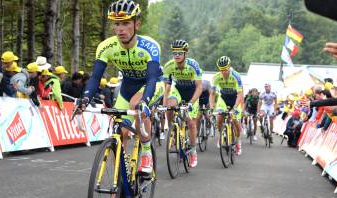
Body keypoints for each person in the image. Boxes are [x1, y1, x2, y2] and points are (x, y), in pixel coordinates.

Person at [81, 0, 163, 175]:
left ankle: (147, 151)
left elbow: (152, 78)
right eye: (117, 24)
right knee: (121, 132)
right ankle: (121, 176)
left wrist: (145, 101)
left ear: (137, 24)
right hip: (126, 88)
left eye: (126, 23)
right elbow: (95, 77)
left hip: (150, 85)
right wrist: (86, 98)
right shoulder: (106, 46)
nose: (120, 29)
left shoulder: (149, 46)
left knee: (137, 105)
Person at [163, 39, 202, 168]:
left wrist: (191, 102)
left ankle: (193, 151)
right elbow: (167, 88)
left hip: (192, 93)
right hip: (178, 90)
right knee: (170, 106)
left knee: (191, 123)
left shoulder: (193, 65)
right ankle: (171, 130)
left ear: (185, 53)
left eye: (180, 52)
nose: (177, 55)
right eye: (175, 53)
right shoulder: (169, 66)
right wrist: (164, 104)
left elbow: (199, 87)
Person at [209, 56, 244, 155]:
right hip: (223, 99)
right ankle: (221, 135)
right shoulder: (216, 77)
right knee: (220, 117)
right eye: (221, 70)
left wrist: (235, 107)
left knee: (236, 121)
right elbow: (212, 94)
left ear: (229, 67)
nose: (223, 72)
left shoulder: (236, 76)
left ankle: (238, 142)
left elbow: (240, 94)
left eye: (225, 70)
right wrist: (212, 108)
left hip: (235, 98)